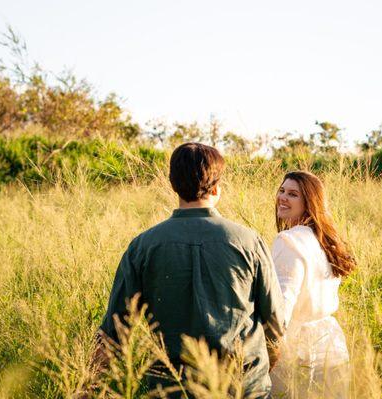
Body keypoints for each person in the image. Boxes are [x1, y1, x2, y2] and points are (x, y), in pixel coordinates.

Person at [95, 143, 285, 398]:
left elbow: (116, 329)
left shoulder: (143, 245)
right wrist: (264, 367)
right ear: (217, 187)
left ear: (173, 184)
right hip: (243, 385)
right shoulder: (249, 241)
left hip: (174, 386)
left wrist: (87, 385)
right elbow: (274, 320)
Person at [270, 171, 356, 399]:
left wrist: (270, 351)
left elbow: (283, 305)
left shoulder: (288, 241)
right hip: (330, 343)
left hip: (298, 348)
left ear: (309, 202)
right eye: (282, 191)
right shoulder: (325, 241)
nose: (283, 198)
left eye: (293, 194)